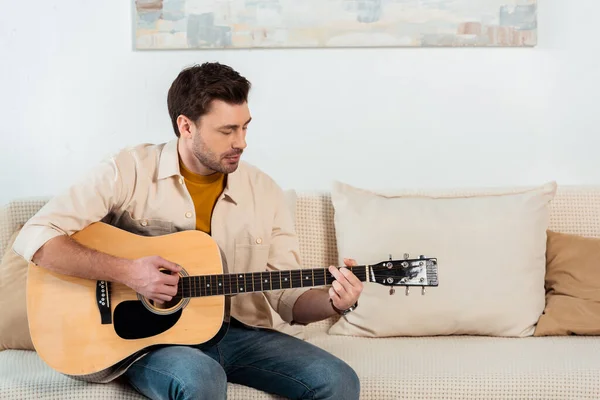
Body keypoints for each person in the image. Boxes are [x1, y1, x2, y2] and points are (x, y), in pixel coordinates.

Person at [12, 62, 362, 400]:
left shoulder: (264, 190)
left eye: (245, 127)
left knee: (337, 380)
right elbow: (37, 236)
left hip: (239, 332)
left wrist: (335, 302)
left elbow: (290, 300)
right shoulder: (128, 169)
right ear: (186, 126)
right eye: (227, 130)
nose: (241, 142)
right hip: (151, 338)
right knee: (200, 378)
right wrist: (130, 273)